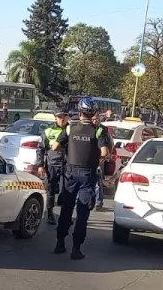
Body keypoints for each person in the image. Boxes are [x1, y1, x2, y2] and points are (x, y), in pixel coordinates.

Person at [52, 97, 112, 258]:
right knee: (82, 212)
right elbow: (105, 153)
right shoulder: (98, 130)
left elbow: (55, 146)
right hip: (88, 174)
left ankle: (59, 243)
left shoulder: (70, 128)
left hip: (70, 173)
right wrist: (97, 162)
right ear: (93, 113)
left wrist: (68, 150)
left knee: (66, 209)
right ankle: (76, 249)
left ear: (79, 113)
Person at [35, 109, 71, 224]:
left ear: (67, 118)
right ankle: (50, 214)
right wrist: (40, 165)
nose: (61, 119)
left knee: (66, 192)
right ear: (55, 118)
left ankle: (66, 216)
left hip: (67, 165)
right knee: (51, 191)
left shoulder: (72, 130)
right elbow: (40, 149)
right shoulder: (48, 131)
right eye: (59, 117)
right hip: (52, 165)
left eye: (64, 117)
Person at [91, 112, 107, 211]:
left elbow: (107, 145)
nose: (95, 120)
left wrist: (103, 158)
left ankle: (98, 202)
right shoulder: (88, 129)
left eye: (97, 119)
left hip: (99, 158)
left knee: (97, 182)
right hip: (89, 159)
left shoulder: (102, 130)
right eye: (93, 119)